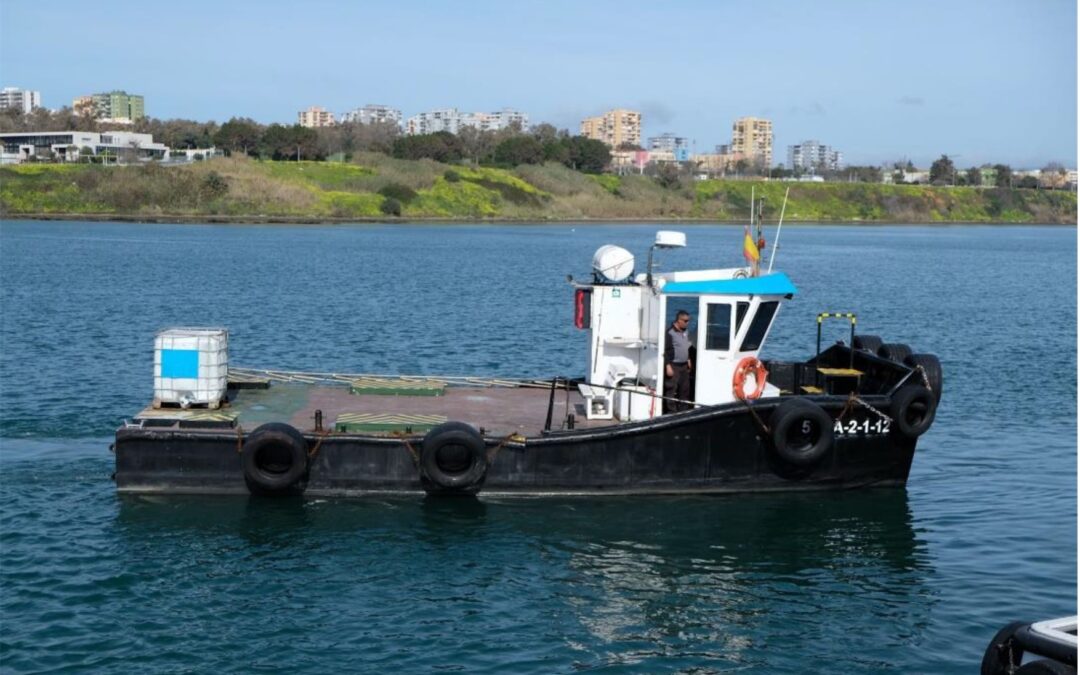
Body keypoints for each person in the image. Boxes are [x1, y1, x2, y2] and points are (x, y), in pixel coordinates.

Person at [664, 310, 693, 413]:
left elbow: (686, 346)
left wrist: (688, 359)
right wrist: (667, 366)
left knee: (685, 389)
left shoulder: (686, 332)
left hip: (684, 366)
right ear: (679, 320)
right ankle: (671, 411)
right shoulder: (670, 333)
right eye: (685, 321)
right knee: (671, 389)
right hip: (674, 365)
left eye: (688, 321)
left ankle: (683, 410)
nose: (687, 323)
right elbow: (665, 350)